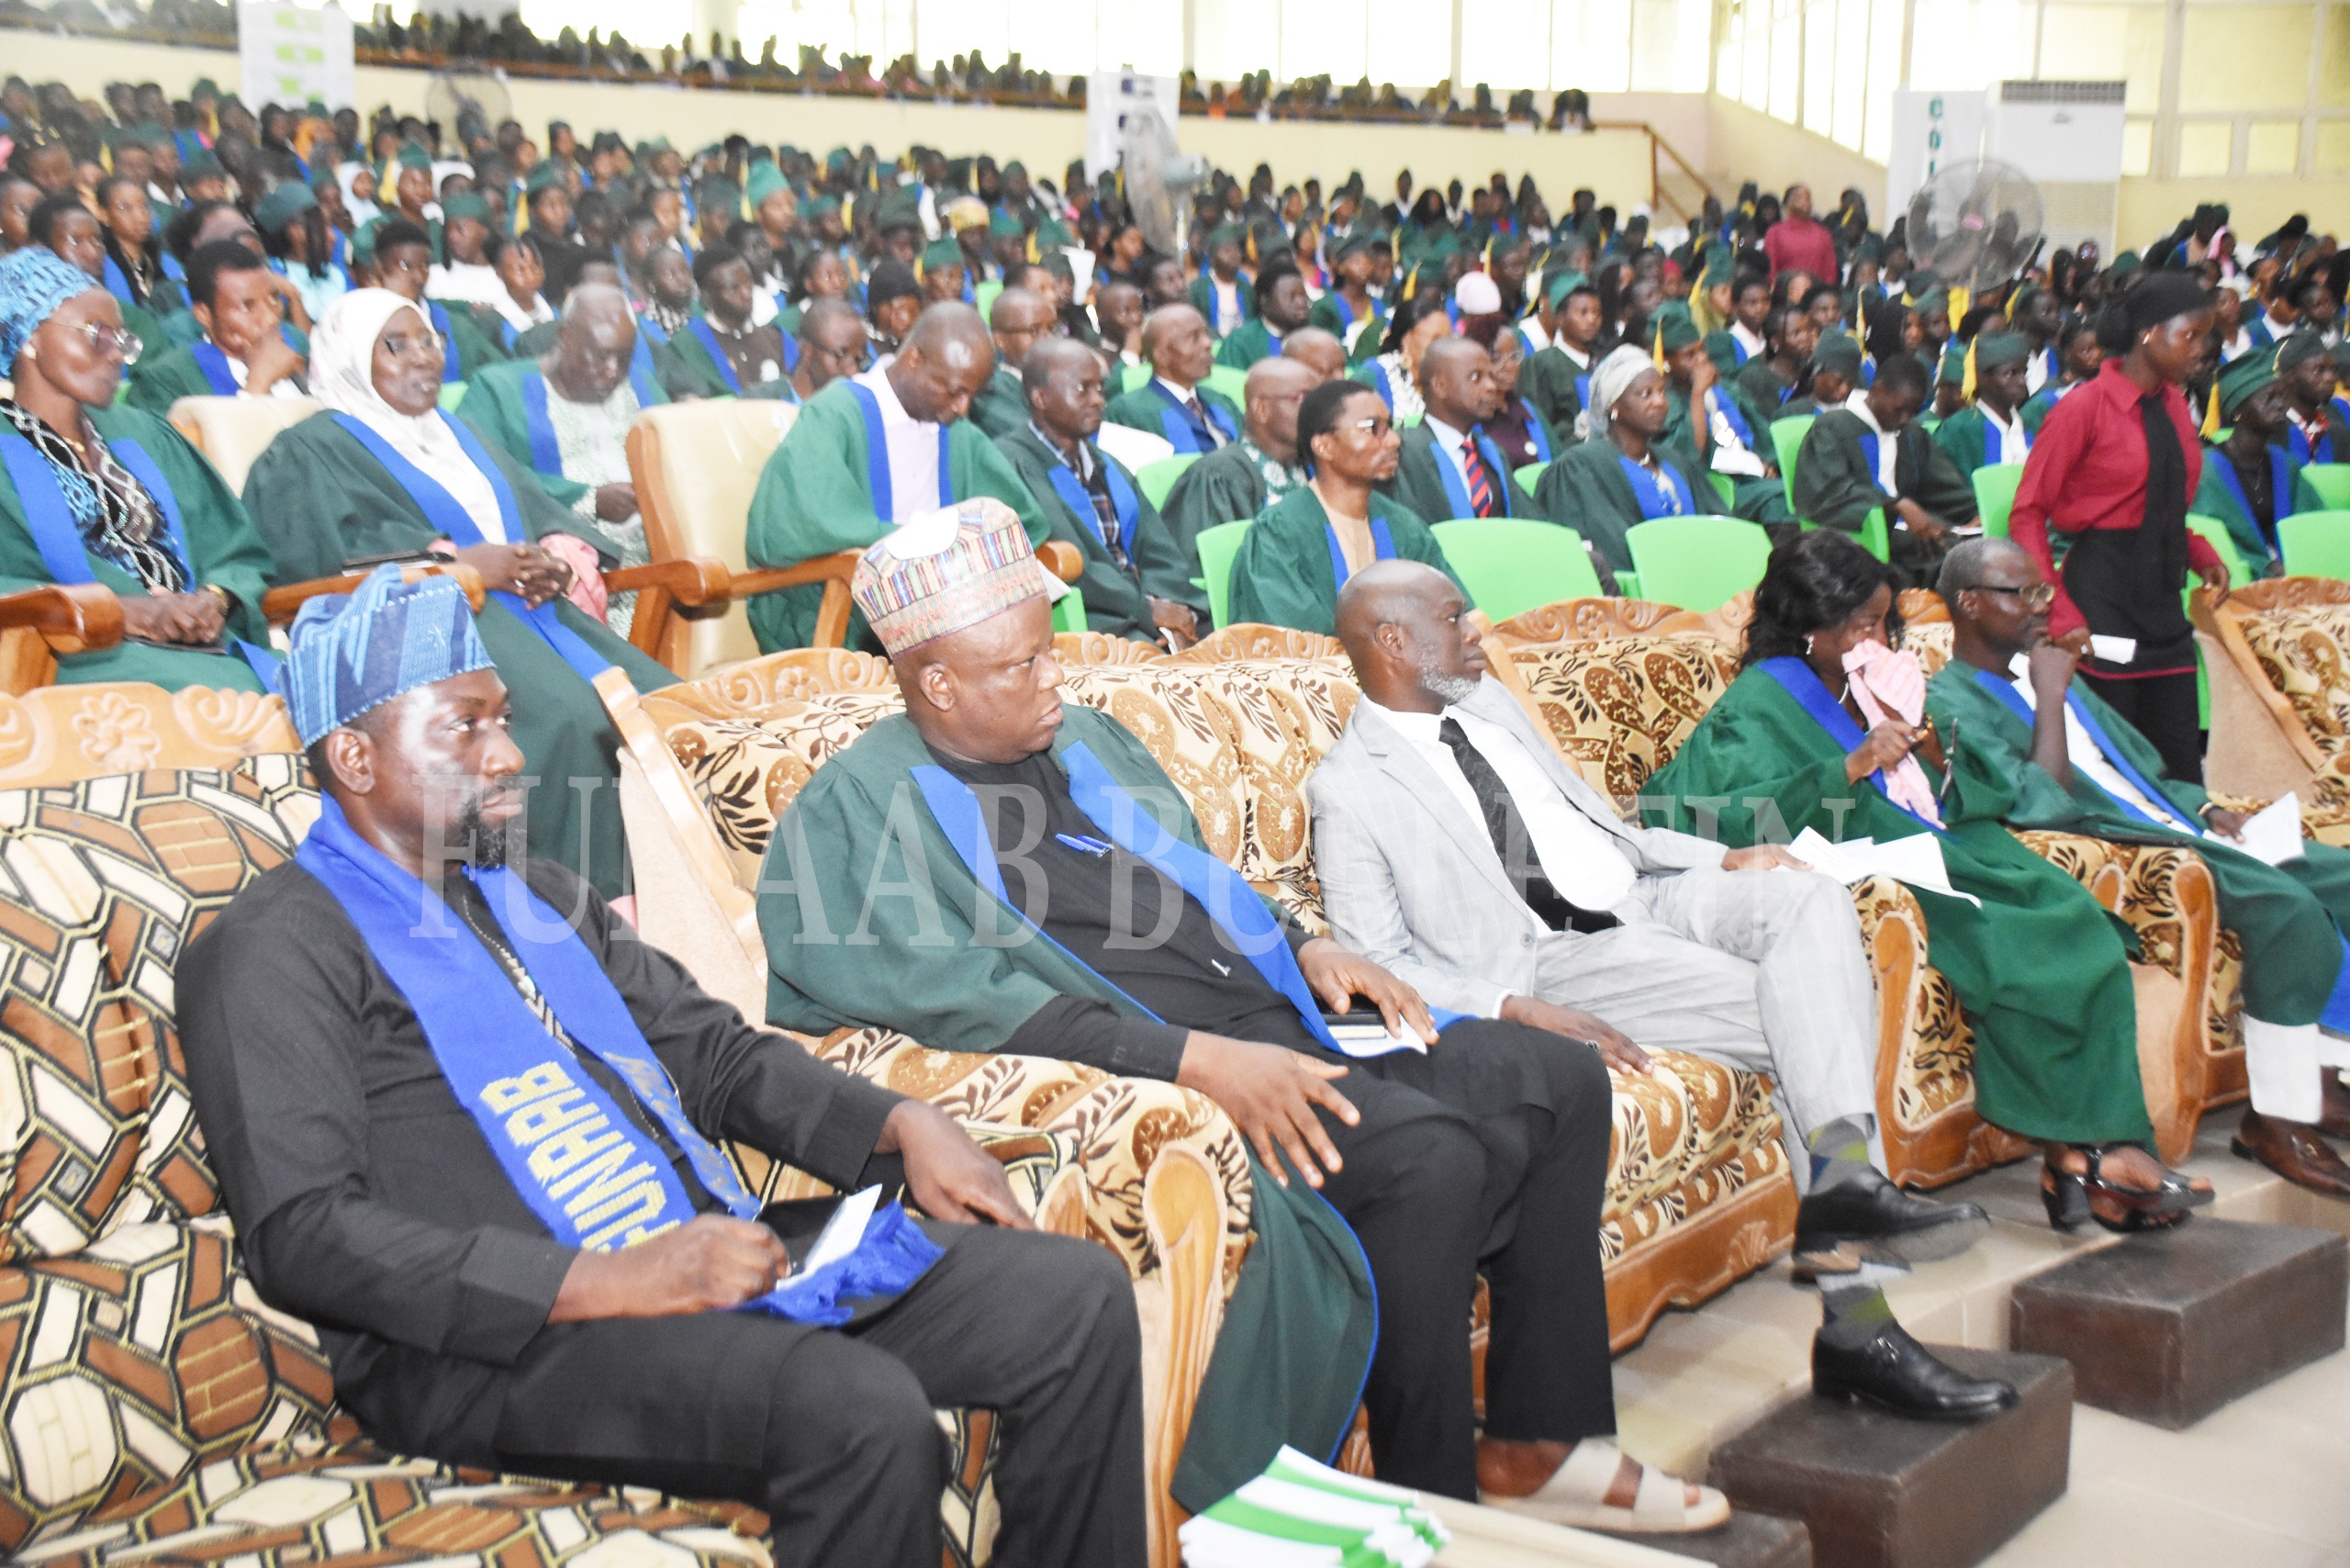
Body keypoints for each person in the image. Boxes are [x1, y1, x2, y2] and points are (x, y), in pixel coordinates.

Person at [757, 503, 1727, 1529]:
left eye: (1048, 651)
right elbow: (975, 1007)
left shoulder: (1084, 736)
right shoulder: (857, 812)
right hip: (1172, 1067)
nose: (1054, 680)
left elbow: (1204, 881)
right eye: (1022, 666)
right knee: (1428, 1158)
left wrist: (1306, 943)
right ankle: (1425, 1500)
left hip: (1287, 1014)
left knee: (1555, 1078)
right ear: (938, 684)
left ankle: (1541, 1442)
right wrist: (1198, 1062)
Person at [177, 566, 1147, 1568]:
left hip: (685, 1250)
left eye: (501, 718)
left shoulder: (539, 894)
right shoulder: (272, 948)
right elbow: (305, 1233)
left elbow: (714, 1058)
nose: (508, 753)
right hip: (492, 1343)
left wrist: (899, 1125)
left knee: (1071, 1297)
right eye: (463, 728)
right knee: (859, 1411)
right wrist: (604, 1279)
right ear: (353, 756)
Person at [1312, 559, 2010, 1418]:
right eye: (1455, 617)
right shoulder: (1349, 787)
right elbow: (1378, 958)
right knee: (1809, 1010)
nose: (1476, 627)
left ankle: (1841, 1201)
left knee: (1810, 899)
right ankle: (1861, 1324)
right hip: (1560, 955)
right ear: (1394, 641)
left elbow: (1607, 826)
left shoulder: (1486, 702)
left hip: (1649, 890)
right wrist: (1511, 1007)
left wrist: (1725, 855)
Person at [1645, 530, 2213, 1232]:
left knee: (2077, 920)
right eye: (1861, 624)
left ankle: (2086, 1156)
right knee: (2028, 946)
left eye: (1883, 620)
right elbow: (1703, 817)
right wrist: (1846, 768)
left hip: (1933, 845)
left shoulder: (1874, 683)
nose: (1877, 637)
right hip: (1862, 866)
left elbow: (1978, 792)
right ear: (1811, 626)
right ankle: (2096, 1158)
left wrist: (1933, 748)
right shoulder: (1761, 701)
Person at [1928, 536, 2350, 1194]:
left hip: (2180, 824)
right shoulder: (1952, 699)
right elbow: (2043, 803)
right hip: (2131, 846)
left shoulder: (2047, 669)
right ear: (1969, 602)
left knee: (2341, 877)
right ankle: (2278, 1118)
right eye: (2023, 593)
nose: (2042, 606)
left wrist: (2207, 809)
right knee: (2288, 909)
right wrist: (2048, 697)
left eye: (2044, 591)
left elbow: (2142, 773)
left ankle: (2322, 1079)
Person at [240, 288, 672, 900]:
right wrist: (452, 562)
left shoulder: (455, 431)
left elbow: (531, 506)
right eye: (396, 346)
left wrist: (550, 559)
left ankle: (678, 892)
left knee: (665, 702)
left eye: (429, 340)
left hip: (532, 615)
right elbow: (310, 559)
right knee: (577, 724)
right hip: (431, 629)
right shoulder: (310, 449)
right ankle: (577, 909)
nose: (423, 357)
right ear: (350, 359)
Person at [0, 247, 275, 691]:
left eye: (123, 341)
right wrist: (123, 611)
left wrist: (214, 599)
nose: (116, 355)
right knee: (239, 691)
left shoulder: (143, 433)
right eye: (97, 334)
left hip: (204, 649)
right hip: (74, 657)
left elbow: (232, 548)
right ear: (30, 335)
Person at [2009, 272, 2229, 784]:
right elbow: (2027, 513)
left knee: (2181, 767)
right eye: (2190, 335)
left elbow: (2160, 500)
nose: (2201, 349)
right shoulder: (2082, 407)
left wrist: (2198, 552)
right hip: (2100, 600)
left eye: (2205, 336)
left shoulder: (2175, 406)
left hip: (2163, 600)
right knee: (2118, 771)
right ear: (2148, 334)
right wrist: (2055, 607)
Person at [744, 302, 1048, 651]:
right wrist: (927, 544)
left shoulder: (955, 431)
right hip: (843, 610)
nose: (962, 407)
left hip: (946, 612)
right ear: (914, 359)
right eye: (954, 390)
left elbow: (1021, 520)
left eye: (971, 395)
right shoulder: (835, 415)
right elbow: (789, 530)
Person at [457, 284, 666, 635]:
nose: (613, 371)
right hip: (567, 568)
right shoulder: (499, 389)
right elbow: (480, 475)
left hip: (660, 556)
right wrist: (590, 500)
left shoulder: (641, 386)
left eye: (624, 357)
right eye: (600, 356)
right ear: (565, 337)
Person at [995, 338, 1204, 649]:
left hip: (1143, 605)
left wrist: (1169, 603)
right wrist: (1146, 609)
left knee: (1228, 637)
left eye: (1100, 388)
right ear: (1040, 398)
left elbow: (1158, 548)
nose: (1098, 400)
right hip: (1092, 615)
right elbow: (1072, 564)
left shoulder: (1107, 463)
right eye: (1083, 389)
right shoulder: (1012, 464)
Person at [1226, 379, 1460, 634]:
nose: (1394, 440)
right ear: (1324, 446)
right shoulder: (1278, 535)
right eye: (1372, 428)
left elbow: (1455, 616)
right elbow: (1289, 641)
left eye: (1391, 427)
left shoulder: (1404, 526)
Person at [1532, 346, 1727, 580]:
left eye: (1662, 391)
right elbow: (1611, 548)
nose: (1659, 402)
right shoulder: (1582, 467)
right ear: (1613, 405)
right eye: (1645, 394)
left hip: (1702, 578)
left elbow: (1721, 525)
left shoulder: (1675, 461)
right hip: (1642, 590)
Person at [1792, 350, 1977, 588]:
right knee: (1949, 563)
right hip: (1856, 537)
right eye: (1899, 409)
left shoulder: (1910, 434)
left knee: (1968, 551)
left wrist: (1974, 511)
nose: (1904, 418)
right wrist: (1894, 504)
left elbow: (1942, 487)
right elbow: (1828, 493)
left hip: (1905, 535)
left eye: (1912, 412)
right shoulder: (1832, 428)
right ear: (1877, 390)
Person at [1158, 355, 1316, 566]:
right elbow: (1209, 569)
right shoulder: (1218, 476)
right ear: (1261, 408)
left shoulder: (1312, 467)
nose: (1317, 411)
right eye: (1303, 398)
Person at [125, 240, 308, 409]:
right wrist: (259, 382)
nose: (270, 319)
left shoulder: (294, 345)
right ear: (204, 315)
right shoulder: (168, 381)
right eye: (247, 307)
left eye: (274, 299)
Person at [1653, 303, 1788, 529]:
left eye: (1701, 350)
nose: (1701, 359)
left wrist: (1765, 461)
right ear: (1666, 362)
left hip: (1751, 477)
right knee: (1779, 499)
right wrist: (1698, 393)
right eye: (1690, 355)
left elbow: (1758, 432)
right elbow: (1690, 454)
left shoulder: (1724, 389)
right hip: (1714, 485)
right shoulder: (1667, 402)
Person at [2192, 352, 2323, 577]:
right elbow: (2212, 539)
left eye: (2282, 397)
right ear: (2237, 412)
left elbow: (2314, 522)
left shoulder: (2285, 464)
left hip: (2294, 578)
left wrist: (2295, 562)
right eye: (2269, 398)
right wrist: (2263, 566)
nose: (2280, 405)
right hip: (2235, 579)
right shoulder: (2207, 472)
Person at [1382, 336, 1524, 521]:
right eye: (1475, 377)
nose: (1491, 386)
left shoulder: (1491, 451)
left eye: (1490, 376)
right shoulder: (1404, 454)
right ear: (1440, 386)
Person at [370, 218, 504, 385]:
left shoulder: (453, 326)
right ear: (380, 268)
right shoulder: (360, 322)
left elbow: (501, 374)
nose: (419, 277)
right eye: (406, 266)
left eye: (425, 266)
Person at [1102, 305, 1240, 454]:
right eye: (1194, 338)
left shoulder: (1221, 401)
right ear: (1161, 355)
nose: (1208, 343)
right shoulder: (1127, 412)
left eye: (1205, 334)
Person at [668, 242, 793, 398]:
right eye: (733, 288)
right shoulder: (687, 348)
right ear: (706, 296)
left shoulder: (777, 340)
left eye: (748, 283)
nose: (746, 293)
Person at [1930, 331, 2035, 487]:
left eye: (2023, 372)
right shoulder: (1958, 430)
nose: (2021, 381)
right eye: (2009, 374)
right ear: (1981, 378)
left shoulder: (2031, 423)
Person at [1519, 274, 1601, 439]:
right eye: (1583, 313)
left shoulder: (1603, 363)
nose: (1592, 320)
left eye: (1597, 313)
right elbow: (1539, 422)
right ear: (1560, 318)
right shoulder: (1542, 363)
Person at [1353, 291, 1452, 426]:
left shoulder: (1451, 380)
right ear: (1407, 339)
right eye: (1435, 339)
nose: (1445, 347)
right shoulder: (1374, 374)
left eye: (1449, 339)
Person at [968, 286, 1054, 438]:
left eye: (1051, 328)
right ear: (1000, 340)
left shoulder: (1052, 380)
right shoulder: (991, 390)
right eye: (1034, 331)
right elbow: (1037, 439)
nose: (1048, 338)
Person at [1306, 230, 1388, 360]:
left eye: (1367, 262)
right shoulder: (1325, 307)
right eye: (1356, 262)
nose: (1363, 267)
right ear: (1341, 268)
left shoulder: (1380, 305)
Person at [1215, 258, 1312, 369]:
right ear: (1264, 300)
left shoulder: (1314, 338)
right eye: (1292, 296)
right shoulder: (1241, 341)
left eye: (1303, 295)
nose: (1301, 303)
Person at [2020, 317, 2103, 436]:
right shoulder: (2052, 392)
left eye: (2099, 348)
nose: (2097, 355)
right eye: (2086, 351)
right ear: (2068, 353)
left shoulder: (2104, 385)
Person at [2274, 330, 2346, 465]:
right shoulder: (2273, 435)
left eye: (2333, 370)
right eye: (2319, 370)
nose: (2331, 378)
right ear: (2290, 377)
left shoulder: (2338, 432)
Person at [1735, 302, 1819, 415]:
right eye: (1796, 334)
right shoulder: (1754, 378)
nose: (1806, 337)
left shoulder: (1812, 372)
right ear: (1775, 342)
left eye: (1808, 330)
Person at [787, 296, 869, 401]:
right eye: (841, 355)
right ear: (808, 350)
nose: (852, 371)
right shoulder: (770, 401)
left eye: (858, 359)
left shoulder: (847, 408)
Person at [1763, 185, 1839, 288]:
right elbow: (1770, 271)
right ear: (1787, 203)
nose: (1805, 202)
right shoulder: (1775, 233)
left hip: (1816, 294)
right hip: (1784, 294)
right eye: (1799, 197)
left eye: (1808, 198)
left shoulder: (1823, 234)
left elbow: (1830, 273)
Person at [1188, 222, 1253, 337]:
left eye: (1236, 250)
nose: (1233, 255)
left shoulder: (1247, 289)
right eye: (1227, 251)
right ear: (1213, 259)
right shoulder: (1198, 288)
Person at [1704, 273, 1773, 376]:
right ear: (1735, 306)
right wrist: (1764, 356)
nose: (1760, 308)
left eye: (1765, 301)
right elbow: (1729, 377)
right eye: (1752, 303)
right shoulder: (1722, 340)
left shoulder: (1773, 336)